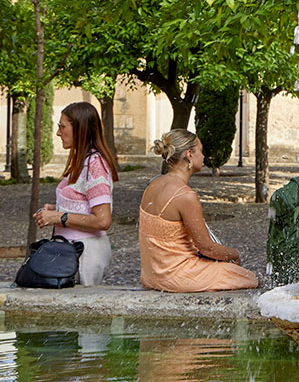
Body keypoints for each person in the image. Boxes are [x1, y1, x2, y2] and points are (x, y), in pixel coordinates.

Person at [139, 129, 258, 292]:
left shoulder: (153, 185)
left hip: (151, 276)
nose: (203, 156)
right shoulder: (185, 195)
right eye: (200, 151)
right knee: (249, 278)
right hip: (178, 277)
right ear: (189, 154)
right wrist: (234, 254)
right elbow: (207, 248)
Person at [33, 101, 118, 286]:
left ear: (79, 129)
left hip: (85, 254)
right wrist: (55, 210)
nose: (58, 132)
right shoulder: (83, 163)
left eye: (62, 127)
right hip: (72, 251)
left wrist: (59, 216)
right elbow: (86, 206)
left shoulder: (95, 165)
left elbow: (103, 220)